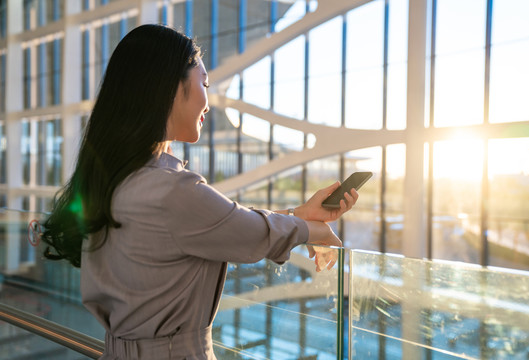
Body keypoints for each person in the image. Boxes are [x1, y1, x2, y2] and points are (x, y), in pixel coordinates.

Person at [41, 24, 359, 360]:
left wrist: (300, 217)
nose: (208, 101)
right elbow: (245, 232)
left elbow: (227, 223)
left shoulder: (117, 180)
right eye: (204, 83)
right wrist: (316, 230)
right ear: (168, 86)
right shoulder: (170, 189)